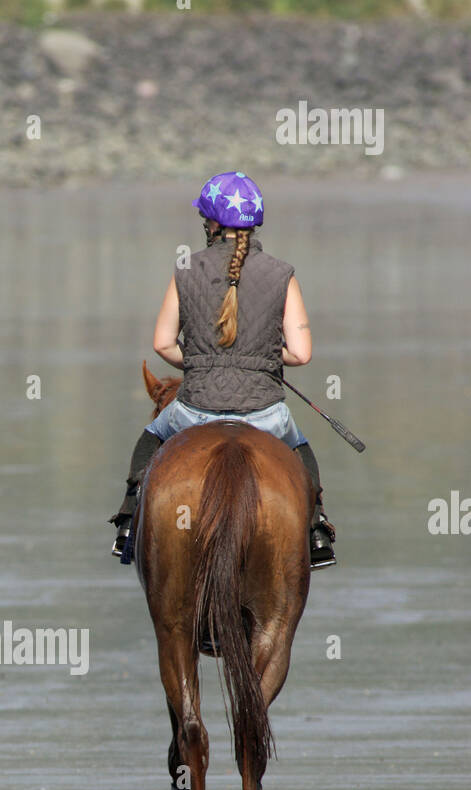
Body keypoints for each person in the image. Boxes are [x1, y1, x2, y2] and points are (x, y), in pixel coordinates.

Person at [110, 171, 334, 567]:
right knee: (301, 449)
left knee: (150, 437)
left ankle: (126, 525)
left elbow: (162, 344)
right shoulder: (283, 275)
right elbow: (300, 354)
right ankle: (317, 533)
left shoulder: (185, 269)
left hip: (196, 409)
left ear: (211, 224)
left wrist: (198, 361)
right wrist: (263, 357)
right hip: (264, 413)